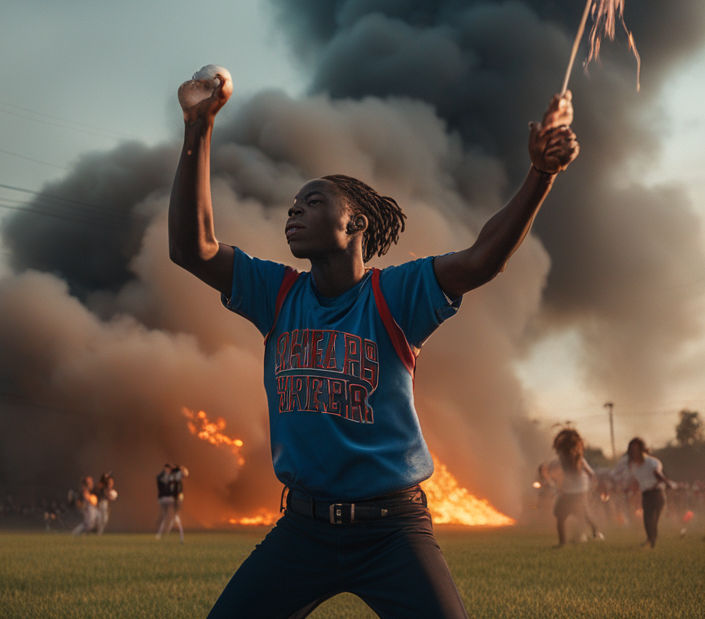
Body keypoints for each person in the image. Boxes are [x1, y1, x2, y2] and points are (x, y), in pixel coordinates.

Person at [169, 65, 579, 618]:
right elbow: (192, 247)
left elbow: (483, 259)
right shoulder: (278, 294)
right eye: (293, 203)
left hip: (392, 531)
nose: (294, 209)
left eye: (312, 201)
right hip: (303, 530)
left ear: (356, 221)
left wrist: (540, 174)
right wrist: (199, 128)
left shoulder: (396, 295)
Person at [541, 429, 603, 547]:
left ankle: (568, 541)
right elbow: (591, 474)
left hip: (576, 493)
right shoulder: (572, 458)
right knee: (579, 513)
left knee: (567, 515)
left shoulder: (574, 459)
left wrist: (546, 470)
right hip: (574, 491)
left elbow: (589, 473)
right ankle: (592, 532)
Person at [611, 437, 675, 547]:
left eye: (637, 448)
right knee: (647, 519)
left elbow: (658, 474)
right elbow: (636, 482)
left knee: (654, 519)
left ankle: (652, 541)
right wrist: (627, 489)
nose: (635, 451)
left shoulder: (652, 462)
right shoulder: (634, 466)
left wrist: (668, 484)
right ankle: (650, 539)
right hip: (646, 495)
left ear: (642, 449)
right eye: (632, 449)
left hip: (657, 493)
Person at [156, 463, 189, 542]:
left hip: (175, 499)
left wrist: (179, 468)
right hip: (172, 499)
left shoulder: (176, 479)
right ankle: (162, 534)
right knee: (171, 517)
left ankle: (180, 536)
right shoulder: (172, 479)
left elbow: (184, 473)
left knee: (175, 517)